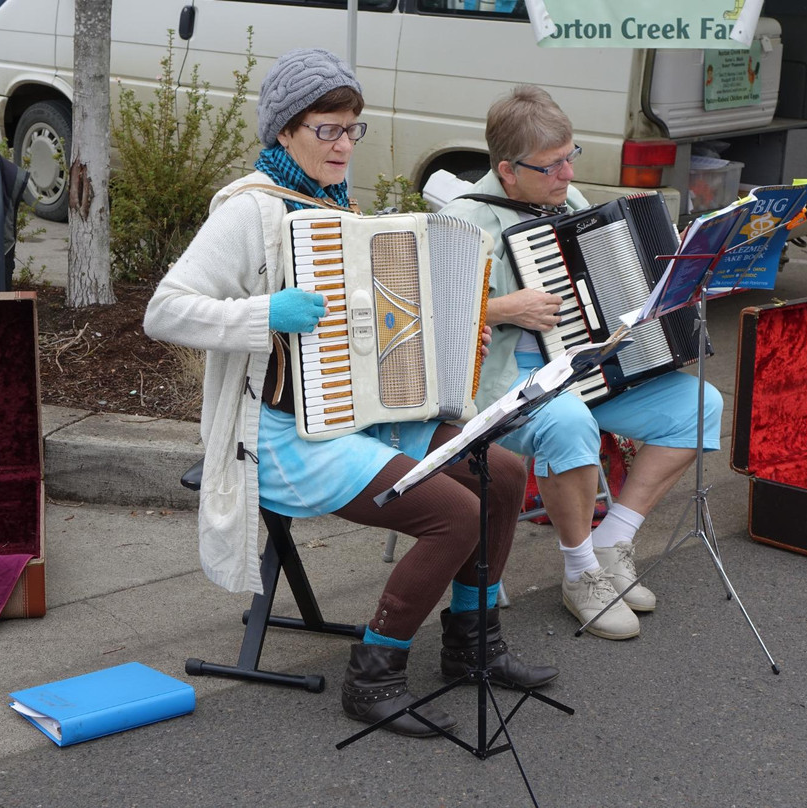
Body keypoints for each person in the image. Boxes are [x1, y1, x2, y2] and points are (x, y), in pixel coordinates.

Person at [144, 49, 558, 737]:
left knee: (504, 474)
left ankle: (470, 647)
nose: (343, 145)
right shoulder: (249, 212)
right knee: (454, 515)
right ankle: (375, 675)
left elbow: (381, 334)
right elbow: (164, 311)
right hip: (282, 438)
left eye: (352, 129)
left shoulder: (340, 208)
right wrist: (263, 314)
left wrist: (453, 347)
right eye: (326, 129)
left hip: (361, 420)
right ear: (284, 131)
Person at [441, 86, 723, 641]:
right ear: (507, 169)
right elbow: (430, 316)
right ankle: (579, 575)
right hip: (504, 383)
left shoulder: (566, 204)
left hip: (584, 367)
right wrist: (500, 308)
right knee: (568, 421)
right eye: (553, 165)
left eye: (572, 157)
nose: (568, 174)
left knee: (699, 404)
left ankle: (612, 540)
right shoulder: (462, 221)